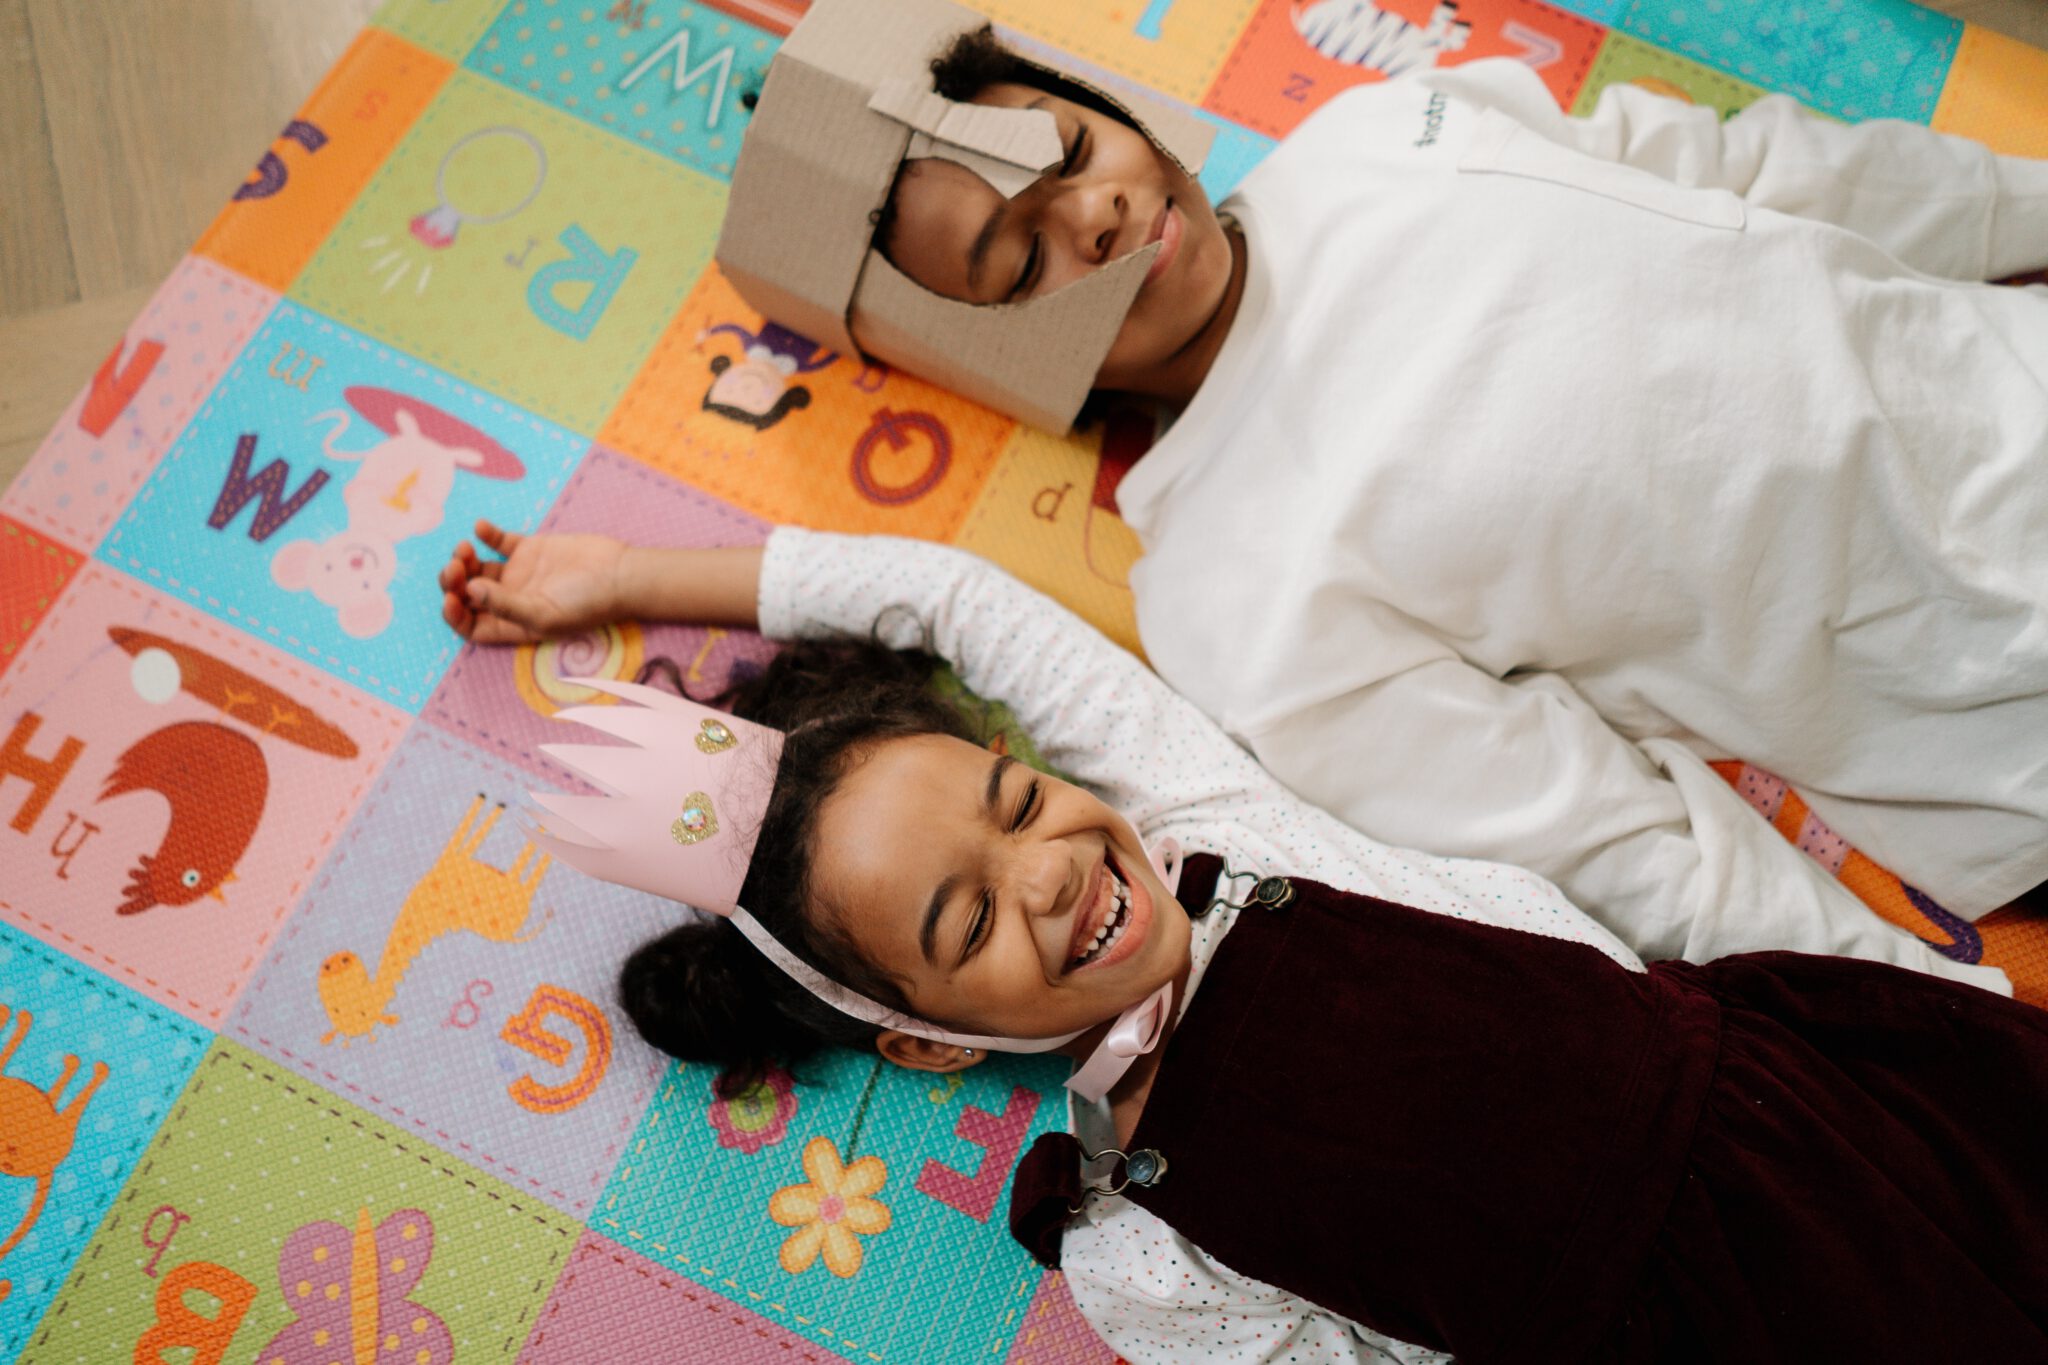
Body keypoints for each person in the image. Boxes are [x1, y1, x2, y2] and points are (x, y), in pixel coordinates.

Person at [438, 519, 2044, 1362]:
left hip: (1810, 1094)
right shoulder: (1135, 1240)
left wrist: (626, 579)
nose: (1050, 871)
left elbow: (953, 597)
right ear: (926, 1034)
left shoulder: (1220, 828)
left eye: (1015, 801)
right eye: (970, 917)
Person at [744, 10, 2048, 967]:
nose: (1090, 216)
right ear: (985, 346)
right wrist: (1930, 995)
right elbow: (1604, 842)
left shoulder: (1379, 130)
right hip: (1995, 725)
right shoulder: (1225, 592)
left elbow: (1764, 172)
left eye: (1071, 150)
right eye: (1017, 260)